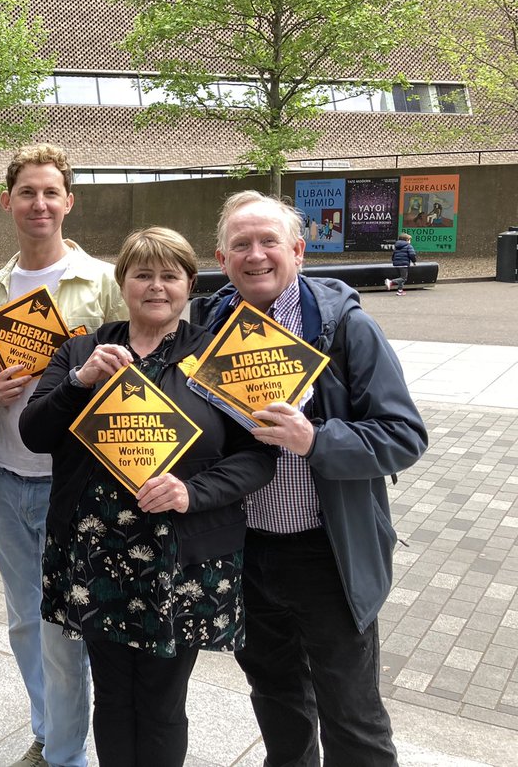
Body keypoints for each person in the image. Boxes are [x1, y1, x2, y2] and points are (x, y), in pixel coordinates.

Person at [20, 227, 277, 767]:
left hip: (182, 557)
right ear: (123, 284)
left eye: (169, 276)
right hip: (95, 554)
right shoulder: (82, 349)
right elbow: (34, 434)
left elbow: (257, 457)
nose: (156, 286)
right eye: (143, 275)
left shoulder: (217, 356)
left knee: (162, 701)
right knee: (113, 696)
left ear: (189, 284)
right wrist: (78, 383)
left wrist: (191, 491)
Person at [191, 190, 428, 767]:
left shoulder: (347, 328)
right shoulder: (205, 329)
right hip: (245, 550)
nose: (256, 255)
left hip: (328, 552)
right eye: (240, 245)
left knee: (352, 714)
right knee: (277, 703)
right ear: (222, 260)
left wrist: (315, 439)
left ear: (297, 251)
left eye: (269, 241)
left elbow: (404, 435)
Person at [0, 143, 127, 767]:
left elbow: (141, 366)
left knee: (68, 625)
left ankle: (68, 749)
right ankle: (47, 730)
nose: (39, 204)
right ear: (7, 202)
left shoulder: (104, 281)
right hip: (6, 472)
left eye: (50, 193)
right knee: (22, 620)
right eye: (27, 193)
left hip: (73, 478)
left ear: (69, 202)